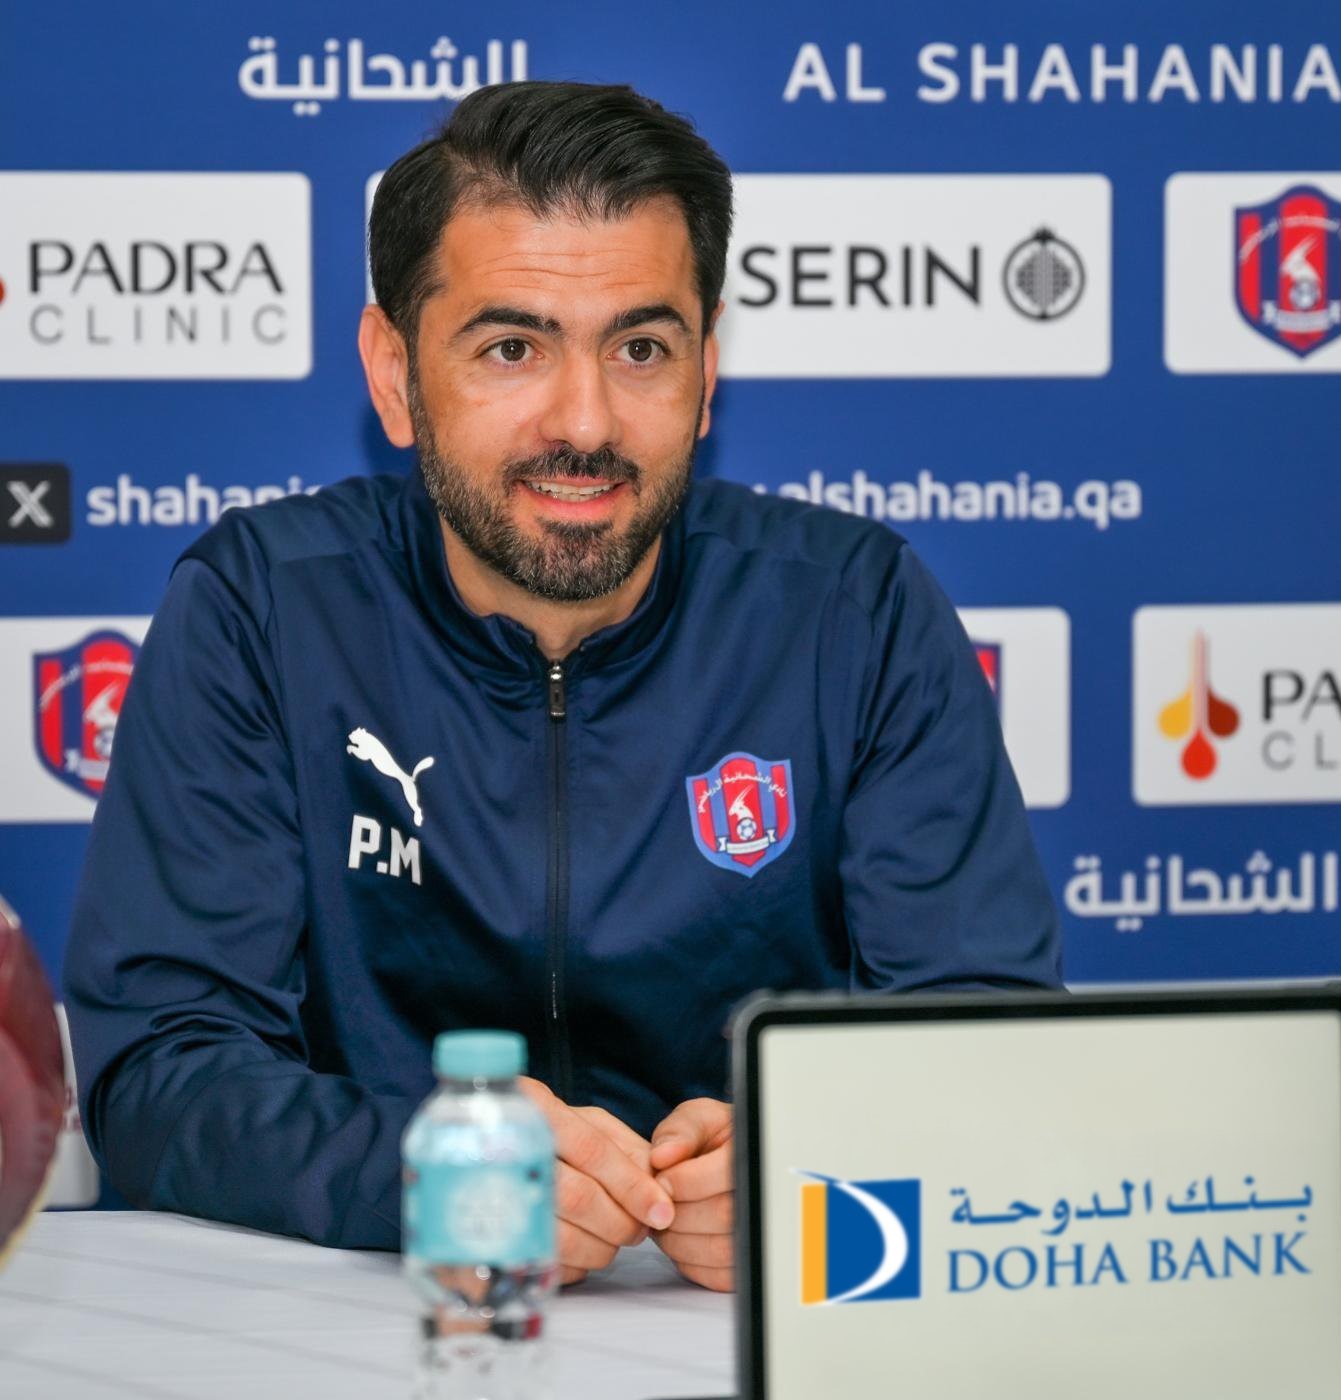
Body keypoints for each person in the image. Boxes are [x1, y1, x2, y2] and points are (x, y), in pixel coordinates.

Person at [64, 81, 1062, 1293]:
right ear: (394, 374)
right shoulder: (265, 608)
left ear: (706, 375)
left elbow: (984, 1039)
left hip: (746, 1330)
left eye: (641, 348)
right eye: (512, 348)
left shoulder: (855, 611)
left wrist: (825, 1157)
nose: (584, 422)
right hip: (377, 1326)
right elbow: (161, 1070)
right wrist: (431, 1172)